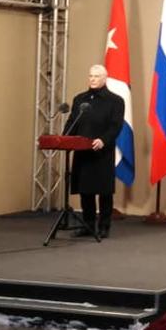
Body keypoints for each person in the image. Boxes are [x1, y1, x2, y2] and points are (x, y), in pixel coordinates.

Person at [65, 64, 125, 239]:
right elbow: (72, 122)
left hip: (102, 152)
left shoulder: (115, 101)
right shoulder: (80, 99)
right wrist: (65, 138)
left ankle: (104, 226)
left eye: (96, 76)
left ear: (105, 78)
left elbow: (116, 126)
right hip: (82, 151)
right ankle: (88, 225)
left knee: (104, 191)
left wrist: (103, 140)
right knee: (86, 191)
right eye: (90, 76)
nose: (92, 79)